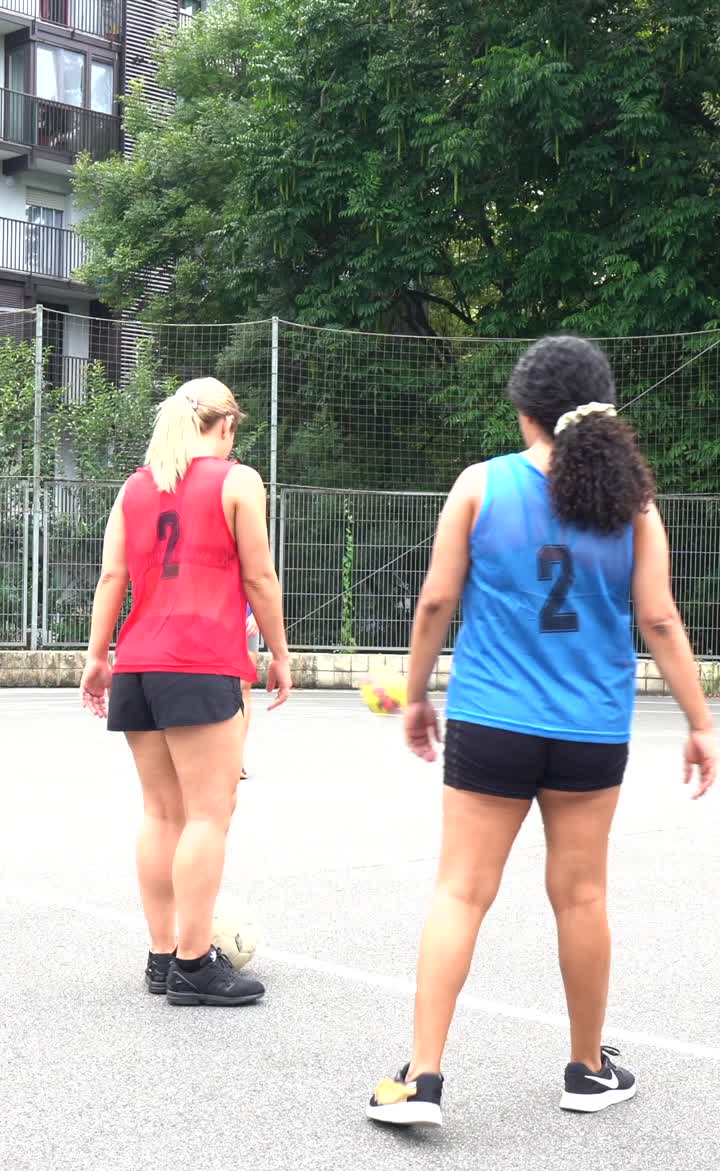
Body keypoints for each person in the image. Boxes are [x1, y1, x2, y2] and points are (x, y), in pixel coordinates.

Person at [367, 335, 716, 1128]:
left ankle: (422, 1079)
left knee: (460, 890)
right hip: (590, 729)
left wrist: (418, 694)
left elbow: (433, 604)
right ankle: (587, 1070)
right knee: (583, 895)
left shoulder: (480, 485)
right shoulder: (633, 504)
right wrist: (700, 723)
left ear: (524, 409)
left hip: (493, 719)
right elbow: (659, 618)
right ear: (602, 408)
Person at [80, 377, 292, 1007]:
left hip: (140, 661)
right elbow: (258, 573)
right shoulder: (237, 480)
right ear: (225, 425)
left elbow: (112, 575)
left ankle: (162, 955)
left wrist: (97, 658)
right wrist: (280, 654)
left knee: (161, 812)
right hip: (202, 661)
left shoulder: (135, 486)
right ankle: (196, 966)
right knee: (208, 813)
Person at [240, 605, 259, 780]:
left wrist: (256, 614)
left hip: (244, 618)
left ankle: (237, 758)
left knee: (243, 687)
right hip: (209, 616)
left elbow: (262, 579)